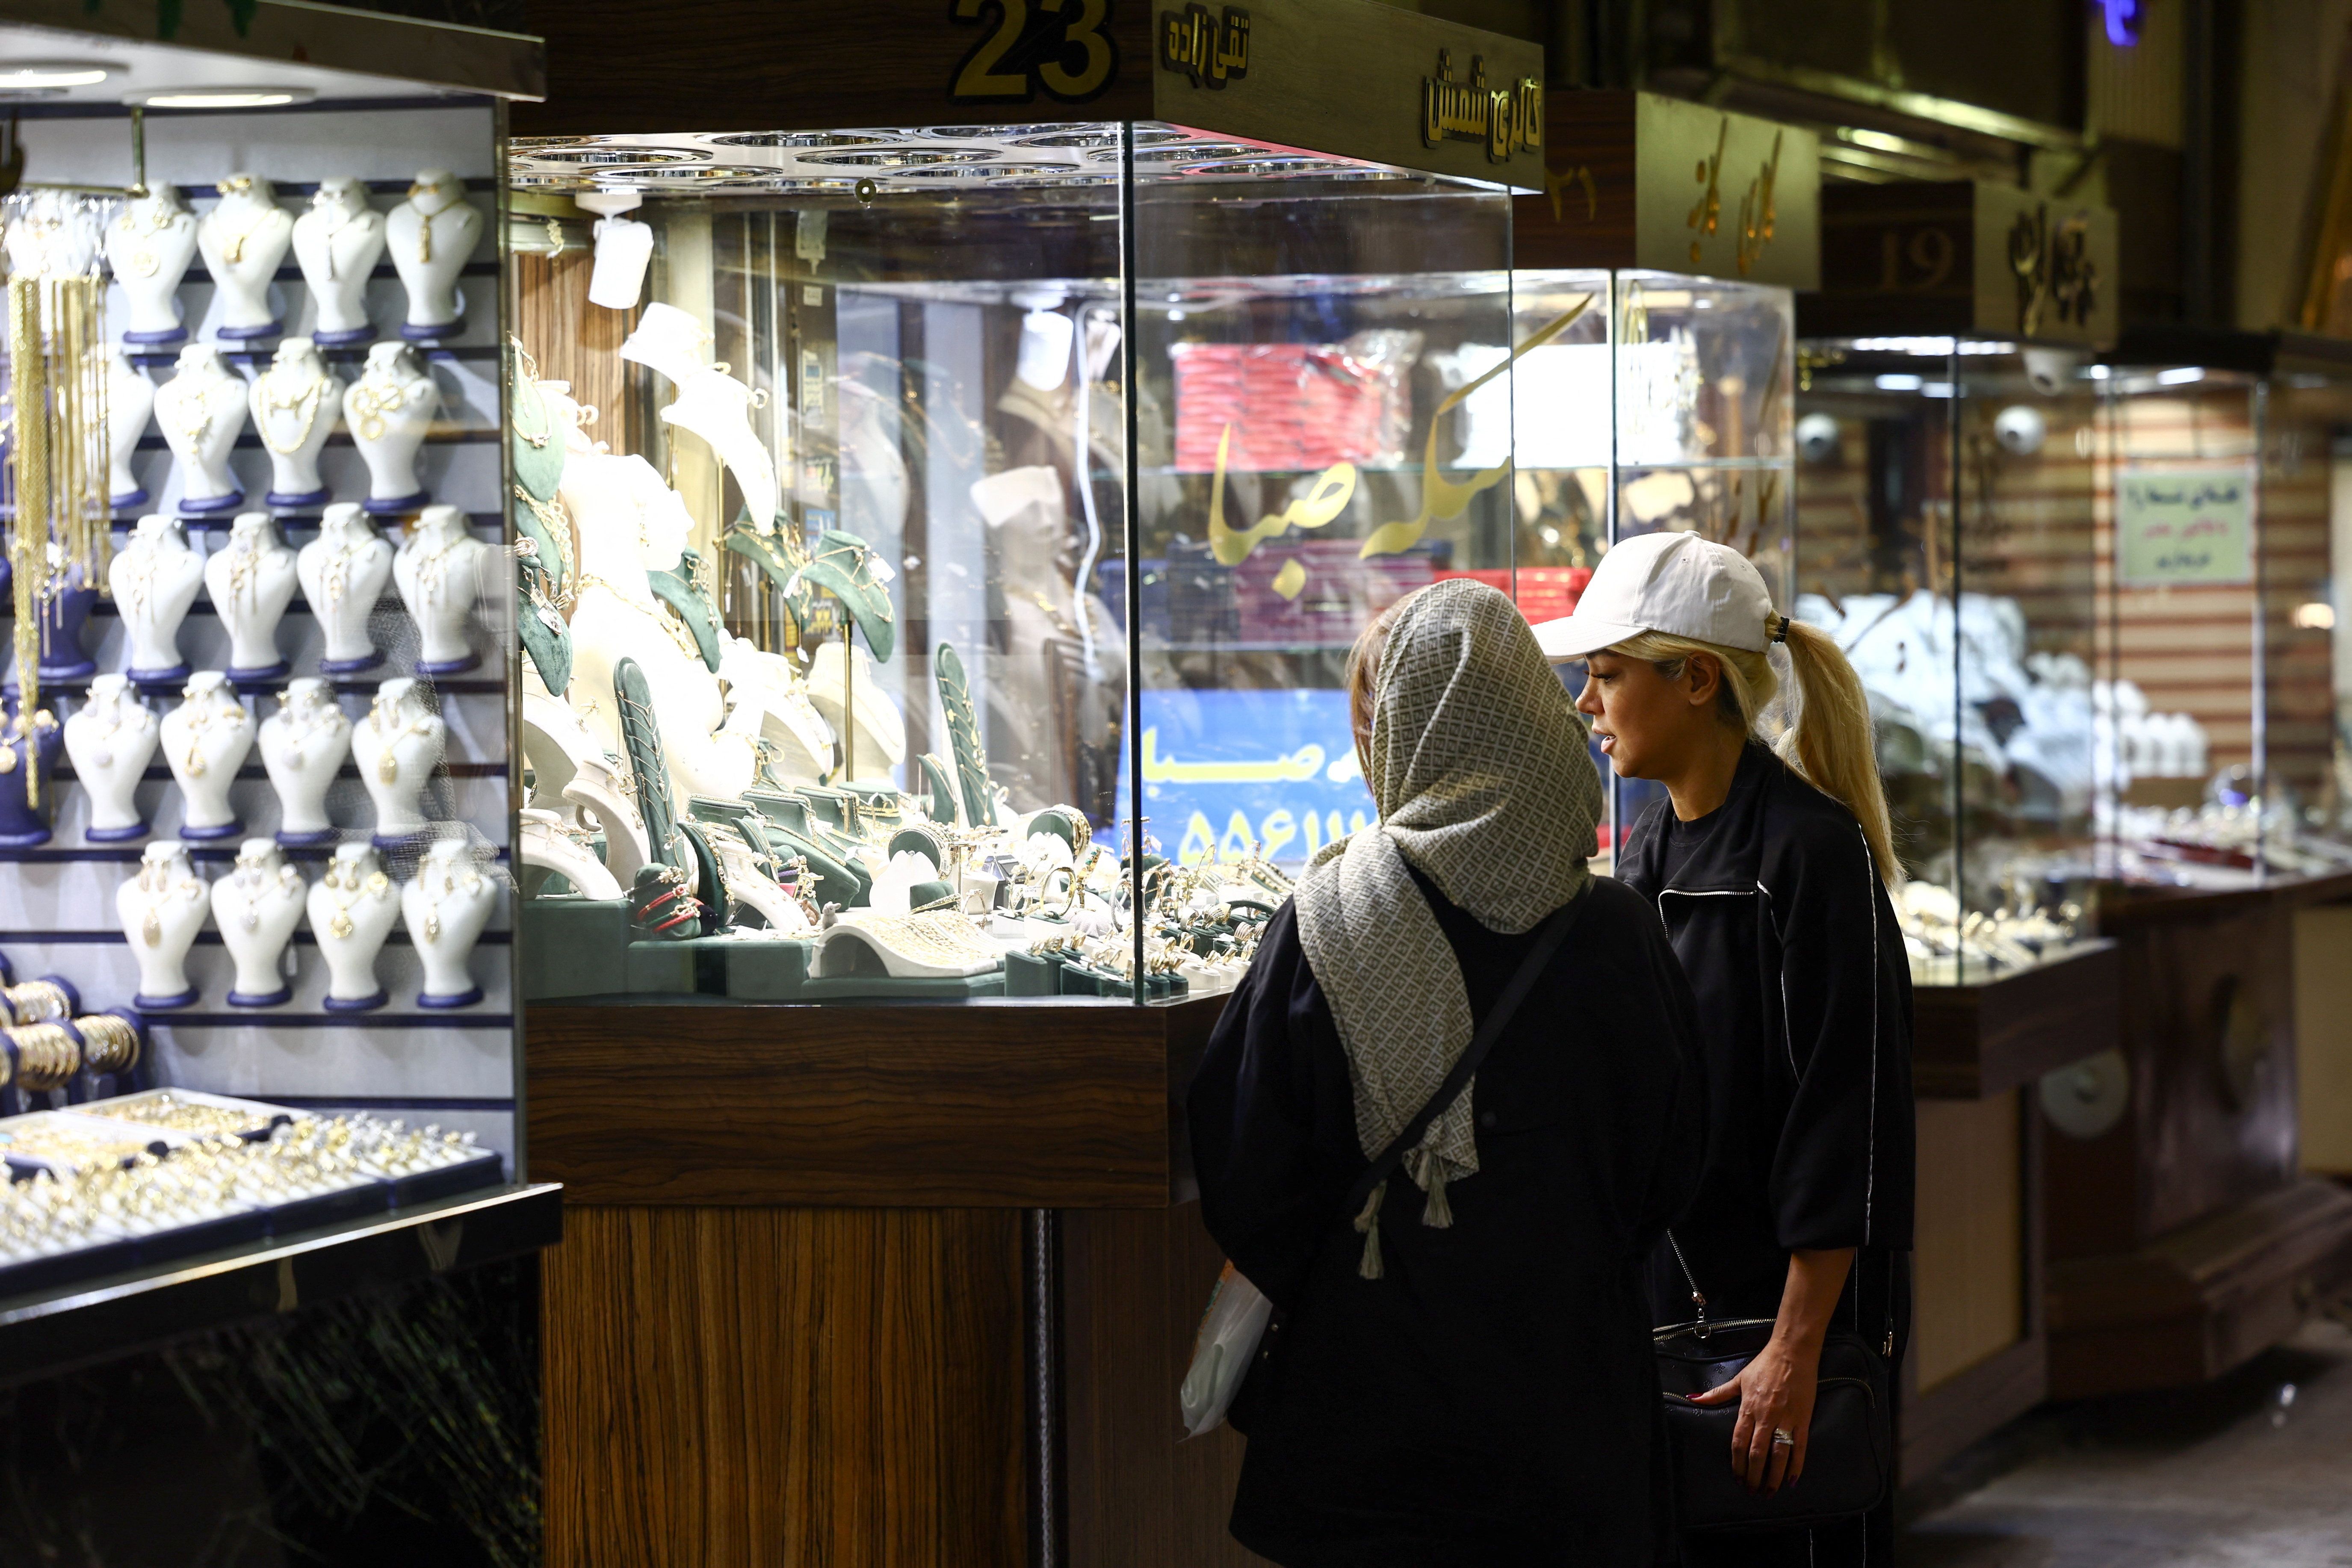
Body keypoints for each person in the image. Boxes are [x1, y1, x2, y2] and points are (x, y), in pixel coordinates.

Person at [1188, 578, 1709, 1567]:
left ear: (1406, 733)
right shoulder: (1620, 933)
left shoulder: (1325, 920)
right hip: (1570, 1427)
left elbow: (1249, 1175)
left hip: (1370, 1429)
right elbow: (1670, 1166)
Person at [1535, 530, 1916, 1568]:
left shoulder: (1809, 855)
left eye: (1606, 675)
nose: (1585, 705)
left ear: (1694, 678)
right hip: (1672, 1324)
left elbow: (1847, 1120)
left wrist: (1795, 1348)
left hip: (1786, 1328)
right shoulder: (1646, 852)